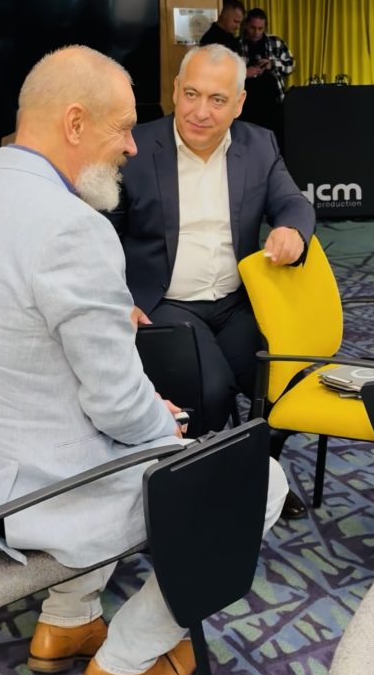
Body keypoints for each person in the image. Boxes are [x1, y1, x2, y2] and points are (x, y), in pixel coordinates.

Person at [0, 45, 288, 675]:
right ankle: (127, 659)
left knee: (131, 438)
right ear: (74, 123)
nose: (131, 145)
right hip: (33, 497)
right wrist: (163, 426)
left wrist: (137, 413)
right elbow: (120, 408)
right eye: (122, 127)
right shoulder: (70, 228)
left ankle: (67, 622)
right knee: (259, 479)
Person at [107, 43, 315, 519]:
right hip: (165, 302)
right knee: (212, 390)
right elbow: (101, 232)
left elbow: (293, 203)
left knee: (285, 381)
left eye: (218, 100)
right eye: (192, 94)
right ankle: (197, 481)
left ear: (238, 103)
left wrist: (292, 229)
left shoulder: (258, 145)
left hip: (235, 301)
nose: (201, 112)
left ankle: (260, 471)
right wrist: (115, 297)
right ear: (175, 90)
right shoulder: (136, 148)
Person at [239, 7, 295, 138]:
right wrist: (245, 72)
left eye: (260, 28)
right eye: (253, 28)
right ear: (246, 25)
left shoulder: (276, 42)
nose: (256, 32)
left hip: (273, 102)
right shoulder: (237, 44)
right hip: (247, 104)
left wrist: (273, 64)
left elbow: (291, 65)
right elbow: (227, 74)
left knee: (275, 139)